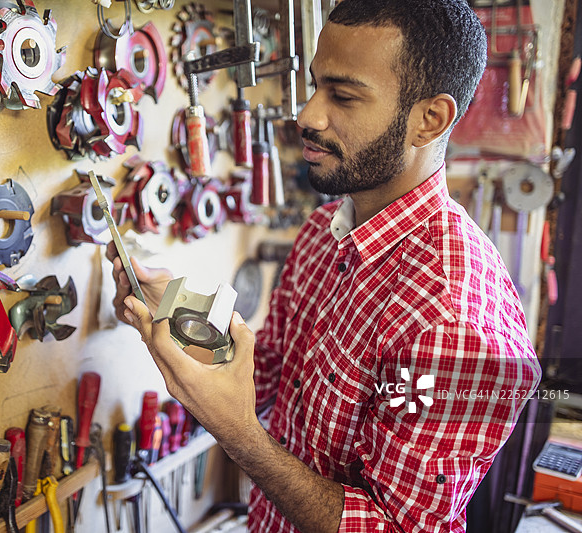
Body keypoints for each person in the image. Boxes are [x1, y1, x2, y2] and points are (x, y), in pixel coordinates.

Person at [107, 0, 542, 531]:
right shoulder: (324, 232)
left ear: (430, 120)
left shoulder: (452, 323)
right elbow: (271, 370)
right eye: (315, 85)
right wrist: (182, 315)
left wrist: (241, 434)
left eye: (343, 95)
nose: (307, 115)